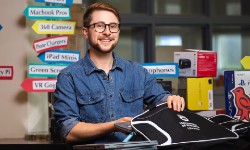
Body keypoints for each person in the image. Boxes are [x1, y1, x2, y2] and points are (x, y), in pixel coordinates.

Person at [53, 2, 185, 144]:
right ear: (85, 32)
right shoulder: (69, 77)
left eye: (113, 26)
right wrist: (114, 126)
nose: (107, 32)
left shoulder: (137, 72)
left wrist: (172, 99)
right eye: (99, 26)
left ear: (118, 31)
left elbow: (161, 99)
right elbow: (68, 131)